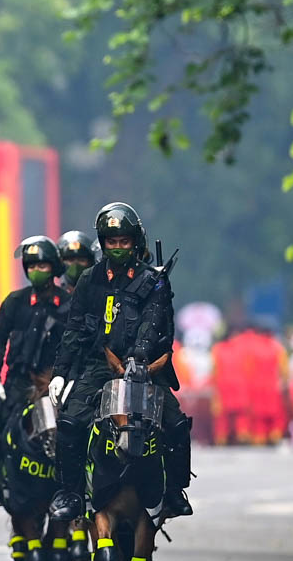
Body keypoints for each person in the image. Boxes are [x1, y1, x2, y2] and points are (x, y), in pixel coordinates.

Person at [48, 202, 192, 520]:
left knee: (177, 424)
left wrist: (138, 356)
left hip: (145, 366)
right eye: (111, 242)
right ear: (103, 242)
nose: (117, 248)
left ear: (135, 242)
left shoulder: (153, 280)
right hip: (101, 365)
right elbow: (74, 329)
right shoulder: (88, 279)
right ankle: (70, 493)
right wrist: (60, 372)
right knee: (70, 423)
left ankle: (175, 492)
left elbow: (153, 323)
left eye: (123, 241)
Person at [0, 235, 70, 515]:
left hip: (56, 385)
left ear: (54, 269)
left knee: (73, 432)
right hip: (19, 383)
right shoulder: (15, 302)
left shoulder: (69, 304)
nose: (36, 271)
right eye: (31, 266)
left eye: (43, 266)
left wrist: (67, 378)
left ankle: (74, 491)